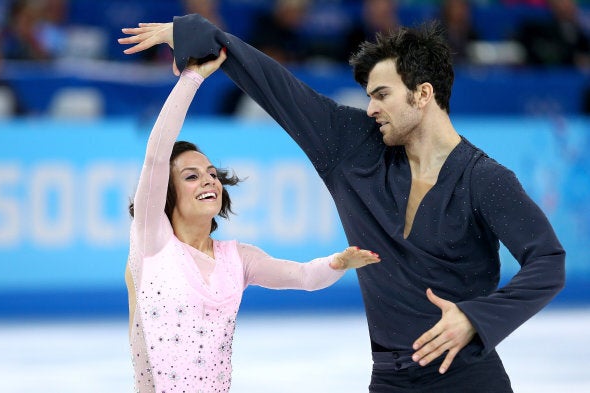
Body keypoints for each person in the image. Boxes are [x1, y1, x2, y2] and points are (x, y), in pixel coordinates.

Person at [118, 15, 566, 392]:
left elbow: (547, 261)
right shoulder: (352, 148)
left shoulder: (485, 180)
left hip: (469, 377)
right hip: (390, 379)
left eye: (382, 95)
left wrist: (475, 318)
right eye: (369, 95)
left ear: (423, 94)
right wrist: (203, 37)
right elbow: (281, 91)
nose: (370, 108)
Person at [117, 38, 380, 392]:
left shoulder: (236, 259)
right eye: (191, 176)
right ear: (166, 191)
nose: (208, 180)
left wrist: (338, 262)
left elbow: (303, 276)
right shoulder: (152, 243)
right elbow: (156, 154)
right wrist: (192, 78)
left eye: (211, 173)